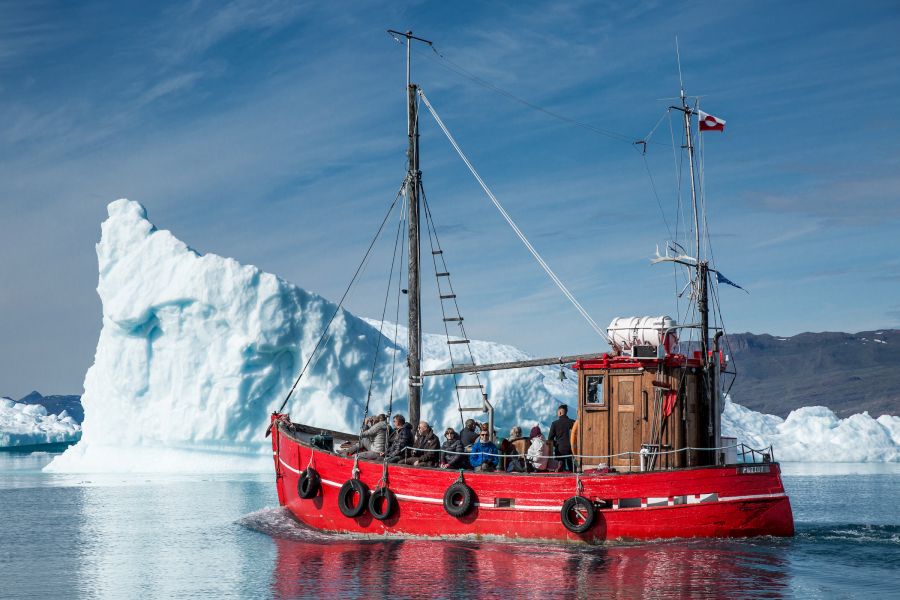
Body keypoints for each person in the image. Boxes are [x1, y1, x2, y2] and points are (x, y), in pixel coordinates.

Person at [548, 404, 575, 472]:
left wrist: (556, 444)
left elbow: (550, 439)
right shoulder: (572, 422)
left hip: (559, 450)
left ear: (560, 412)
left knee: (559, 469)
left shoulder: (554, 424)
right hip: (570, 449)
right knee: (572, 469)